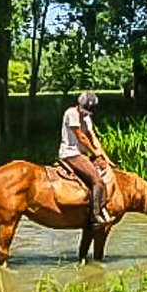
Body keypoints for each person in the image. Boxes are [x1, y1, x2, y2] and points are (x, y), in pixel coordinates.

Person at [58, 90, 114, 226]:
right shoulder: (71, 113)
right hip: (70, 153)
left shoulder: (87, 118)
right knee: (97, 181)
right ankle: (94, 215)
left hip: (81, 154)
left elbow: (93, 137)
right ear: (79, 104)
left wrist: (106, 158)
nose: (85, 114)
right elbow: (81, 137)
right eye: (84, 110)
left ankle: (100, 208)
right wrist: (95, 153)